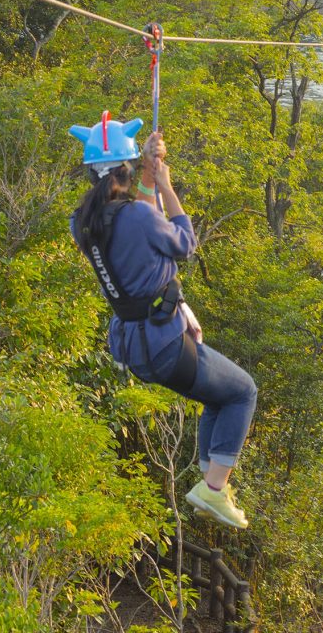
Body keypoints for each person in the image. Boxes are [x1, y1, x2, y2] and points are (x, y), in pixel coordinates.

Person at [69, 112, 257, 530]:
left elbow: (137, 221)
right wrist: (165, 186)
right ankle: (212, 487)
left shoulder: (82, 222)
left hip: (133, 346)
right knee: (244, 391)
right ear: (125, 167)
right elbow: (183, 244)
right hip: (164, 344)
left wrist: (149, 179)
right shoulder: (135, 216)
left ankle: (214, 485)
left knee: (218, 398)